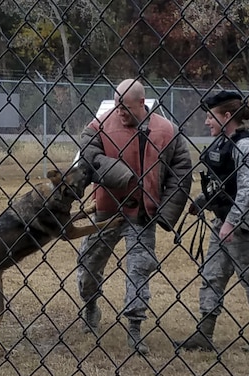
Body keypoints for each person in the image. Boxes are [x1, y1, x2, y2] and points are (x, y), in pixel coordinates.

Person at [76, 79, 192, 355]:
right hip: (106, 211)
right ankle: (91, 305)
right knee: (89, 265)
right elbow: (89, 157)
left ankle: (135, 328)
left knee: (139, 270)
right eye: (117, 106)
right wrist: (122, 175)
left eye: (125, 107)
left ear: (142, 103)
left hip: (143, 215)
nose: (120, 112)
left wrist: (166, 211)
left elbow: (181, 170)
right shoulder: (99, 125)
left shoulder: (166, 131)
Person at [174, 90, 249, 354]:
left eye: (211, 116)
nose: (207, 122)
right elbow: (223, 186)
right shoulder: (224, 143)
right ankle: (204, 334)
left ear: (227, 116)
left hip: (244, 228)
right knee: (212, 277)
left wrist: (231, 223)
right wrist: (201, 202)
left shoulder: (247, 146)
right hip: (222, 223)